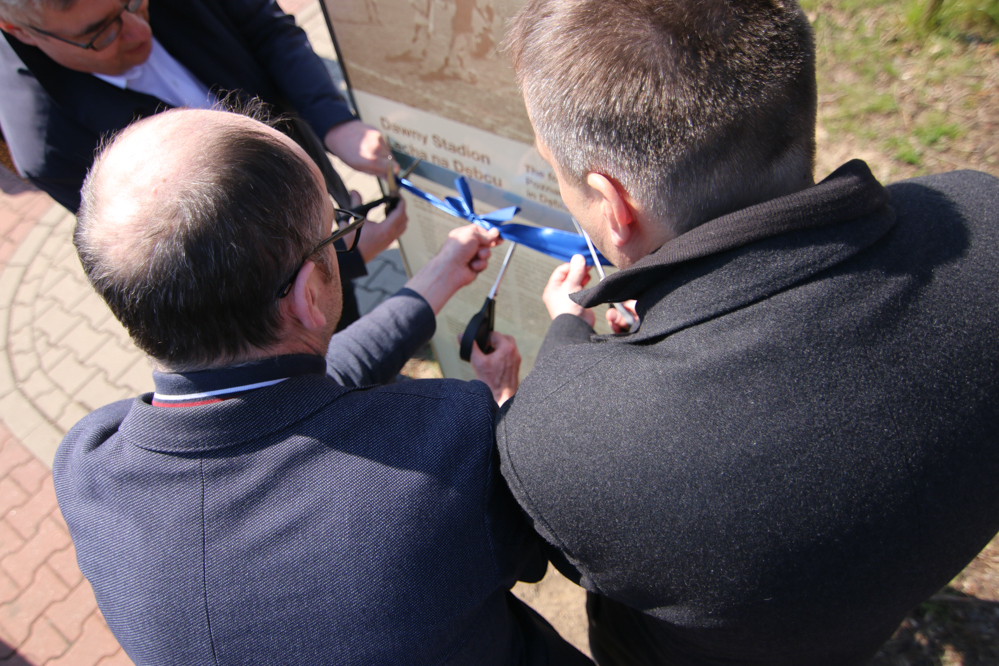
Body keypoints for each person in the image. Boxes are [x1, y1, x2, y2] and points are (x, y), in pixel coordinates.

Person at [477, 0, 999, 664]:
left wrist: (566, 376)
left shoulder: (564, 442)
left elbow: (552, 551)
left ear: (611, 205)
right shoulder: (982, 217)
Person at [53, 107, 592, 666]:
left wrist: (438, 278)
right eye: (338, 225)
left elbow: (296, 394)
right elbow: (541, 541)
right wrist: (512, 393)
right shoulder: (447, 449)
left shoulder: (87, 462)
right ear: (310, 293)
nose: (345, 233)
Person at [0, 0, 401, 326]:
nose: (141, 31)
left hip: (319, 214)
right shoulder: (51, 144)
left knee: (348, 314)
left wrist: (335, 122)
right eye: (101, 33)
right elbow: (190, 268)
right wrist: (330, 258)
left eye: (135, 2)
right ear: (19, 30)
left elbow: (267, 29)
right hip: (279, 285)